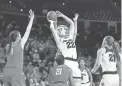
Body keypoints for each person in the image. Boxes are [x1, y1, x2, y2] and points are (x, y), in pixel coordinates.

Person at [48, 11, 81, 86]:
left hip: (75, 63)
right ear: (59, 33)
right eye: (60, 29)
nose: (64, 30)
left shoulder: (71, 38)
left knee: (78, 82)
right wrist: (52, 22)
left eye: (63, 29)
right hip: (66, 63)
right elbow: (52, 28)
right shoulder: (59, 41)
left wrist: (62, 15)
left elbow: (71, 23)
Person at [3, 9, 35, 86]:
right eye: (20, 35)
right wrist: (31, 19)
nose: (21, 36)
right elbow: (28, 31)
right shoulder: (20, 43)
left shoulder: (8, 46)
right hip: (16, 72)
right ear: (17, 37)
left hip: (6, 72)